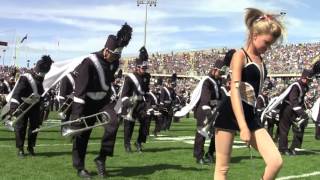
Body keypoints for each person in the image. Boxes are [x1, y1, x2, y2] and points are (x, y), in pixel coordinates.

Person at [213, 8, 284, 180]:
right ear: (254, 35)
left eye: (271, 44)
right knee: (222, 169)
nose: (268, 48)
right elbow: (235, 92)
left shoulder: (260, 59)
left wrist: (247, 123)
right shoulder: (239, 56)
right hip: (230, 113)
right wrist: (243, 126)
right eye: (266, 43)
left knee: (275, 161)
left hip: (251, 115)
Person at [68, 23, 132, 178]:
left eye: (118, 55)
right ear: (106, 50)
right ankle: (80, 167)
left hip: (103, 101)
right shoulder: (89, 62)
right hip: (87, 102)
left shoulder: (114, 62)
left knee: (114, 122)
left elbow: (107, 83)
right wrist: (77, 116)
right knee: (83, 134)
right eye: (115, 55)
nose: (117, 58)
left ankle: (101, 158)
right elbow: (80, 91)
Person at [8, 55, 53, 157]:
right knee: (21, 127)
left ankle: (31, 147)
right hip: (23, 105)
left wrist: (43, 102)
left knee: (34, 127)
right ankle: (20, 149)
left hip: (35, 106)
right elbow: (17, 93)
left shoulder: (42, 78)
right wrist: (13, 107)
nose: (42, 75)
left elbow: (39, 93)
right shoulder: (25, 77)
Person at [116, 46, 151, 153]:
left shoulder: (147, 77)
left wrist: (149, 105)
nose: (144, 70)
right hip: (131, 103)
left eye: (145, 68)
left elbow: (146, 91)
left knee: (146, 122)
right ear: (137, 67)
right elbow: (124, 94)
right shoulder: (129, 78)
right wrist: (128, 102)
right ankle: (127, 145)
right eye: (142, 68)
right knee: (129, 126)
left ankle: (139, 142)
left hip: (141, 103)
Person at [278, 69, 312, 155]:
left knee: (300, 127)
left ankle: (294, 148)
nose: (309, 81)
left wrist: (304, 110)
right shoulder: (295, 86)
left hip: (295, 109)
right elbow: (293, 101)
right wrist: (301, 112)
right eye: (308, 79)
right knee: (284, 130)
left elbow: (300, 100)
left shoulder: (305, 86)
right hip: (287, 109)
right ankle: (283, 149)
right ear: (303, 78)